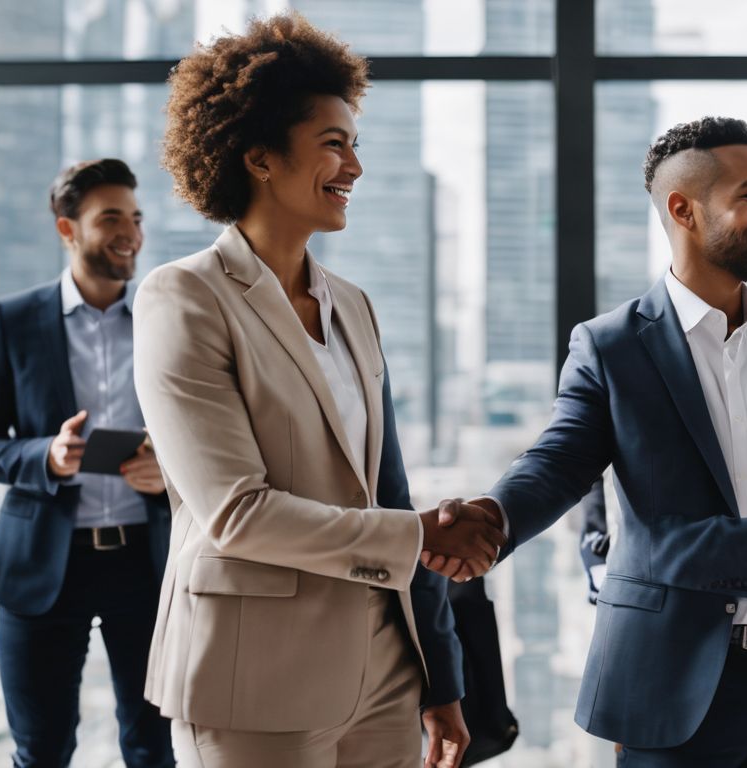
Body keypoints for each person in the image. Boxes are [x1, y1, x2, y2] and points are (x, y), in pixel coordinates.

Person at [432, 117, 747, 765]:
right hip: (674, 683)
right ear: (683, 210)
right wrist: (493, 518)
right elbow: (559, 464)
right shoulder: (610, 346)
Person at [133, 13, 503, 768]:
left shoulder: (353, 305)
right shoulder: (184, 299)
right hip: (254, 676)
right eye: (334, 144)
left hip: (385, 670)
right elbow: (236, 512)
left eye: (354, 144)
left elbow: (388, 490)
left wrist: (441, 676)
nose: (354, 167)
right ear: (261, 157)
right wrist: (420, 534)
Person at [0, 158, 174, 767]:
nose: (130, 232)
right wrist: (43, 456)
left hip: (147, 564)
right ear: (66, 229)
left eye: (135, 217)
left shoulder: (168, 319)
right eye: (110, 218)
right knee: (42, 750)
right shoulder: (15, 320)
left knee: (153, 750)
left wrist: (171, 474)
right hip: (42, 567)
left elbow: (217, 438)